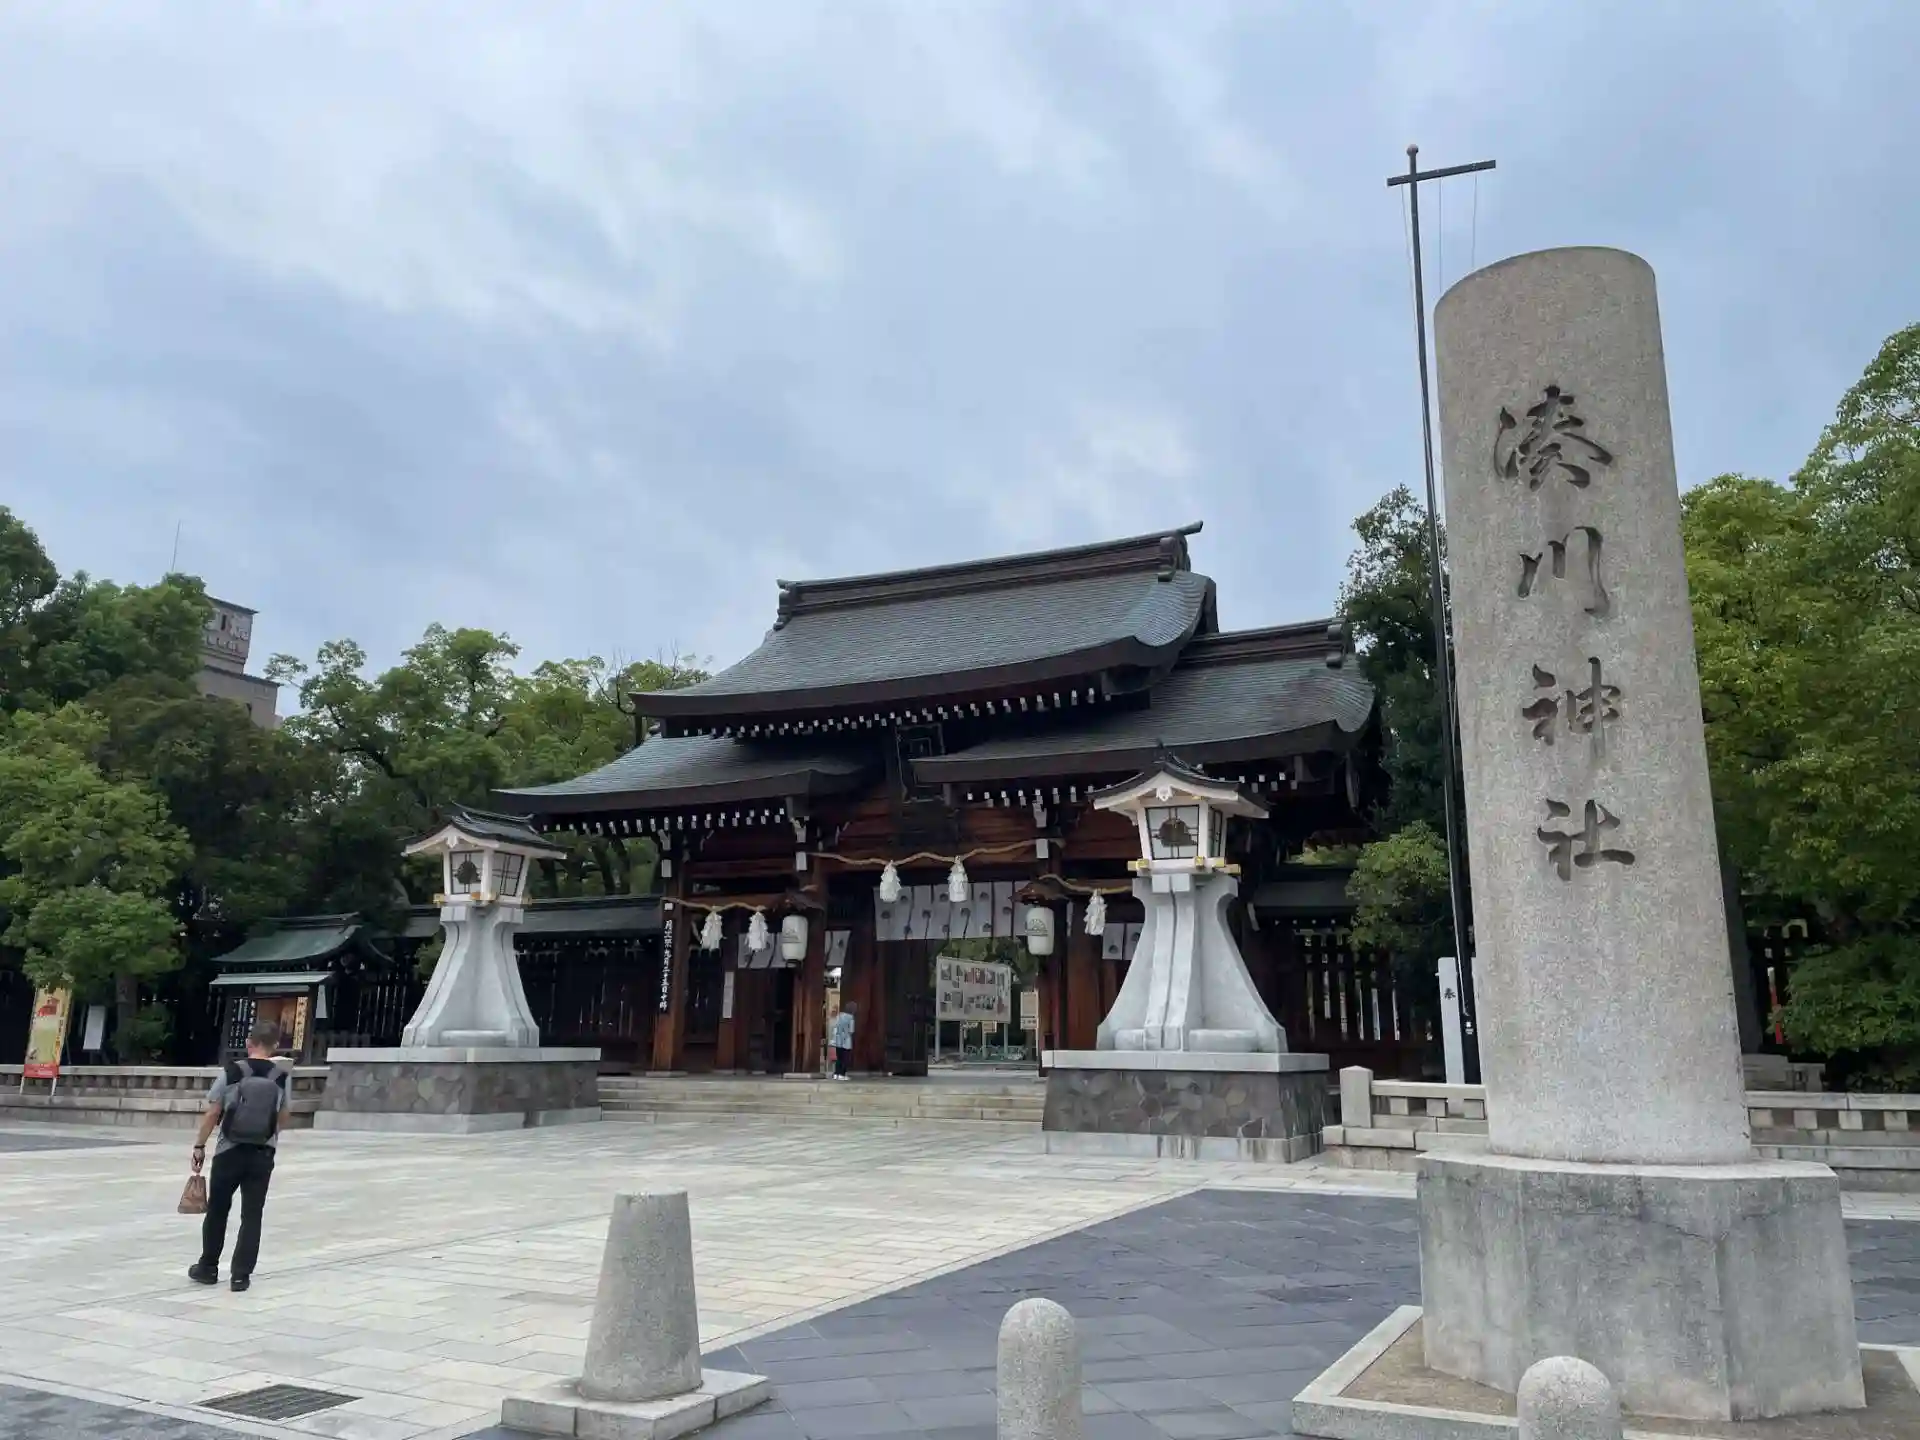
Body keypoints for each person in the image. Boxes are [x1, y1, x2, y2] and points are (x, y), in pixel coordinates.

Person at [187, 1020, 291, 1292]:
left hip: (228, 1151)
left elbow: (213, 1112)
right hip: (262, 1153)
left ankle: (208, 1267)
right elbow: (284, 1115)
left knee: (218, 1210)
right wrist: (269, 1137)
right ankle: (240, 1276)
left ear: (248, 1043)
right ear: (274, 1046)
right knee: (252, 1214)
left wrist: (199, 1145)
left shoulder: (231, 1071)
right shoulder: (281, 1077)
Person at [829, 1002, 856, 1081]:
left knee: (839, 1058)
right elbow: (851, 1030)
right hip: (846, 1041)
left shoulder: (839, 1016)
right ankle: (842, 1074)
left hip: (838, 1040)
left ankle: (836, 1074)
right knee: (845, 1059)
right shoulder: (851, 1018)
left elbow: (835, 1026)